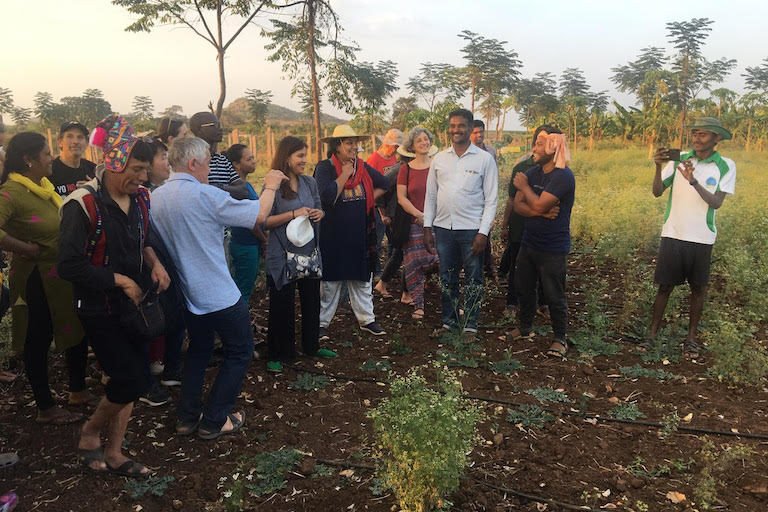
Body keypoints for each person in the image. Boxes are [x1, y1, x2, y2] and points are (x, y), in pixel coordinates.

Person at [150, 136, 286, 439]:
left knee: (198, 350)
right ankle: (215, 419)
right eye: (209, 163)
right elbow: (258, 215)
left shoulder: (156, 197)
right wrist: (272, 183)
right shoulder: (204, 195)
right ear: (193, 162)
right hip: (219, 293)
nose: (210, 170)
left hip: (187, 294)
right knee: (240, 351)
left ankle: (187, 417)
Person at [59, 115, 171, 476]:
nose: (142, 177)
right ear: (113, 161)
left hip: (135, 305)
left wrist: (155, 264)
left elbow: (146, 239)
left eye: (146, 169)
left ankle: (115, 451)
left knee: (130, 378)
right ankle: (90, 432)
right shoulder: (82, 205)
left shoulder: (140, 200)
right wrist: (120, 279)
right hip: (98, 307)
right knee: (133, 378)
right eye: (137, 168)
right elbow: (69, 267)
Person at [0, 132, 88, 425]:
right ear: (29, 159)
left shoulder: (44, 188)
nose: (51, 158)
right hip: (36, 279)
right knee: (37, 339)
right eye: (47, 154)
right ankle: (45, 407)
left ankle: (77, 391)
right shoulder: (11, 193)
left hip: (61, 274)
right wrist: (24, 248)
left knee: (74, 325)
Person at [650, 117, 736, 354]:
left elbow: (716, 203)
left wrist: (694, 182)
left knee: (698, 289)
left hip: (702, 237)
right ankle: (651, 334)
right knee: (664, 286)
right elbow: (657, 192)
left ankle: (691, 338)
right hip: (673, 233)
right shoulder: (680, 159)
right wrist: (658, 166)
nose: (697, 138)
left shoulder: (726, 165)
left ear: (716, 139)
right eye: (695, 133)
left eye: (704, 134)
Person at [263, 136, 336, 373]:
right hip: (282, 255)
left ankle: (312, 346)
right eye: (300, 156)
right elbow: (265, 220)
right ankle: (277, 353)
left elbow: (319, 206)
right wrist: (294, 213)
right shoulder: (273, 186)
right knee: (281, 304)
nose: (305, 160)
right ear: (286, 157)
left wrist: (318, 214)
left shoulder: (308, 183)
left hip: (308, 252)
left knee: (311, 300)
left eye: (305, 155)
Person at [423, 109, 498, 335]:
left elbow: (491, 199)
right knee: (447, 277)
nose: (456, 130)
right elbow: (431, 195)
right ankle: (450, 321)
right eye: (453, 125)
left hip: (471, 230)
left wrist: (483, 233)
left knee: (474, 278)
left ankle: (471, 326)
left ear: (469, 127)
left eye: (461, 126)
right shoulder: (440, 159)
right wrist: (428, 226)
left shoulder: (484, 159)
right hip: (444, 229)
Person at [315, 125, 390, 339]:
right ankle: (321, 324)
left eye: (355, 142)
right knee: (330, 282)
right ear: (336, 146)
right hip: (333, 235)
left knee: (361, 280)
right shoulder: (325, 168)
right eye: (349, 143)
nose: (354, 147)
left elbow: (384, 183)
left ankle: (367, 320)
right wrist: (344, 175)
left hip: (359, 234)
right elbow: (326, 197)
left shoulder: (362, 167)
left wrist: (368, 198)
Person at [512, 126, 575, 358]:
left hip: (552, 246)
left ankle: (560, 338)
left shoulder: (563, 176)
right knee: (525, 288)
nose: (534, 148)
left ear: (553, 147)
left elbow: (534, 202)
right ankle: (525, 327)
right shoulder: (533, 172)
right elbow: (520, 206)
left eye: (539, 143)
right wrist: (539, 212)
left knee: (553, 294)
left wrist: (527, 190)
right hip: (529, 241)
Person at [500, 126, 552, 312]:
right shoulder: (522, 168)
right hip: (520, 226)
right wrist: (505, 224)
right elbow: (513, 200)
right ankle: (512, 302)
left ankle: (543, 302)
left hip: (546, 229)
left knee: (544, 267)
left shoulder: (560, 172)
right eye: (539, 141)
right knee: (516, 264)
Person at [396, 127, 439, 320]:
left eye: (426, 139)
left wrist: (433, 217)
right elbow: (401, 197)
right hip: (414, 223)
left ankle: (450, 303)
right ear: (412, 146)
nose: (424, 142)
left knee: (443, 261)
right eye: (419, 140)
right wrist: (419, 214)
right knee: (414, 264)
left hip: (439, 222)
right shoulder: (406, 169)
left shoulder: (438, 165)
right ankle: (418, 305)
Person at [225, 143, 267, 303]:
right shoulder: (239, 189)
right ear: (236, 164)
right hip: (245, 244)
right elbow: (250, 220)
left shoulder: (245, 185)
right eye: (249, 159)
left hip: (247, 243)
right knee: (243, 288)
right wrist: (264, 240)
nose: (254, 161)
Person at [367, 129, 403, 280]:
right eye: (395, 146)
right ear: (387, 144)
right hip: (376, 205)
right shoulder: (373, 160)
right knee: (377, 239)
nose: (395, 150)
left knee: (393, 240)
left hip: (391, 207)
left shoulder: (394, 159)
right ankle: (375, 271)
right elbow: (370, 186)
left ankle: (390, 269)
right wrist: (381, 211)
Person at [189, 111, 248, 199]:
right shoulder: (192, 161)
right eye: (215, 125)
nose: (220, 129)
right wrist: (228, 189)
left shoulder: (222, 160)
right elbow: (199, 193)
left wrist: (217, 188)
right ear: (199, 130)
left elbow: (243, 190)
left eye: (219, 125)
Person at [50, 121, 96, 197]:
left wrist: (93, 189)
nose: (75, 142)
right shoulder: (49, 171)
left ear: (87, 143)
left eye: (80, 137)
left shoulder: (93, 170)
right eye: (70, 136)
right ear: (60, 142)